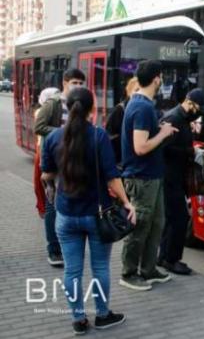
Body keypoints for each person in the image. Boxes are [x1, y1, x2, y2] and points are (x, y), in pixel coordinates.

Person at [40, 87, 136, 335]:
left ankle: (79, 320)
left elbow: (46, 173)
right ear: (92, 109)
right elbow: (112, 178)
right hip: (97, 214)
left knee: (72, 271)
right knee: (100, 268)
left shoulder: (53, 138)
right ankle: (103, 315)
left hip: (66, 215)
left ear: (67, 107)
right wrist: (127, 203)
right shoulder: (98, 136)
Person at [120, 60, 178, 291]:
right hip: (142, 178)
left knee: (156, 224)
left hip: (151, 176)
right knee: (141, 226)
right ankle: (128, 273)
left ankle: (148, 268)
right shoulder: (142, 107)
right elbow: (140, 147)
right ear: (156, 78)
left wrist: (162, 130)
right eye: (161, 76)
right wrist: (163, 133)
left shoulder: (141, 104)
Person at [34, 68, 86, 267]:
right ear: (65, 83)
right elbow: (39, 127)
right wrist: (63, 133)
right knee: (52, 205)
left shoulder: (80, 104)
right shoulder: (54, 103)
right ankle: (53, 250)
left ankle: (67, 246)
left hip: (74, 161)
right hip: (55, 160)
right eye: (75, 82)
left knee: (69, 204)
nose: (78, 87)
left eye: (81, 83)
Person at [157, 88, 204, 275]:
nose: (199, 112)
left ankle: (163, 256)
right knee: (180, 218)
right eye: (198, 108)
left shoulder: (183, 118)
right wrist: (191, 152)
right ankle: (172, 259)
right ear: (189, 103)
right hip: (170, 176)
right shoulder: (174, 119)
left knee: (173, 218)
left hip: (175, 175)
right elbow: (164, 149)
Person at [33, 88, 60, 221]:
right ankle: (44, 208)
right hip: (43, 152)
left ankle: (45, 208)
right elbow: (39, 129)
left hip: (44, 152)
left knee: (47, 185)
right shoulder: (43, 110)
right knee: (45, 184)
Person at [105, 77, 139, 166]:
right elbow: (110, 136)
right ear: (129, 91)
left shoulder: (147, 109)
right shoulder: (120, 110)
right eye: (136, 90)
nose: (140, 94)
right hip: (121, 161)